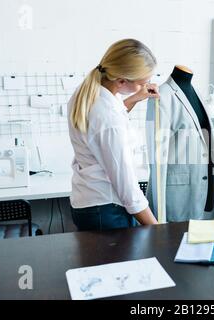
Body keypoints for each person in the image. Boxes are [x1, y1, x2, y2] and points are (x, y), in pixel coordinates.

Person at [68, 39, 159, 231]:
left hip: (88, 203)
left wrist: (134, 97)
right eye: (143, 82)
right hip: (107, 210)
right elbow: (127, 188)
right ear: (121, 81)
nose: (147, 85)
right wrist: (158, 229)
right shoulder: (107, 117)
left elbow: (102, 125)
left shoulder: (85, 95)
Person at [145, 65, 214, 223]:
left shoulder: (196, 92)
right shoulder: (162, 95)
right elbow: (157, 158)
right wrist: (159, 217)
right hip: (176, 195)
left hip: (200, 188)